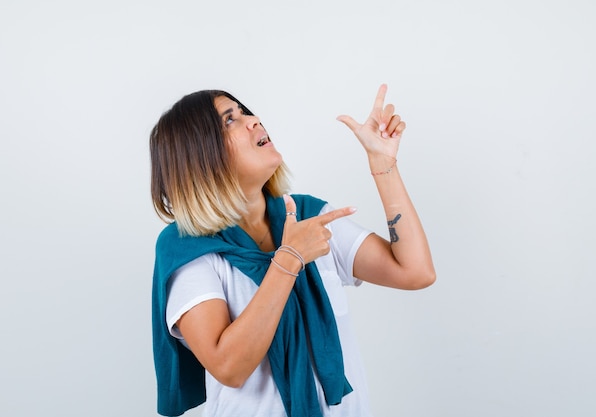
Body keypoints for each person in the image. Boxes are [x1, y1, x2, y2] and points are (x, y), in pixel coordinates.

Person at [150, 84, 436, 417]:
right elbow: (228, 366)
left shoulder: (308, 216)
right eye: (230, 120)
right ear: (198, 157)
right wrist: (289, 260)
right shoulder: (189, 249)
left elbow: (415, 271)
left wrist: (383, 163)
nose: (254, 119)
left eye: (245, 111)